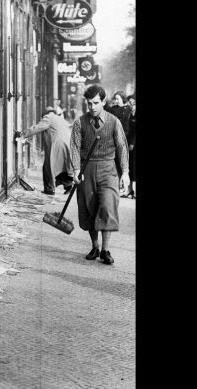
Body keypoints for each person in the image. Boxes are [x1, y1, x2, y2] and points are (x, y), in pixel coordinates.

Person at [70, 85, 130, 265]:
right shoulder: (80, 122)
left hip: (108, 169)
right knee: (90, 208)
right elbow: (74, 146)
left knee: (108, 206)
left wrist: (125, 172)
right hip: (86, 170)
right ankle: (95, 246)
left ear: (103, 101)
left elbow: (122, 147)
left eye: (96, 103)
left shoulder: (114, 122)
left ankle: (106, 250)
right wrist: (75, 170)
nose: (92, 107)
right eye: (89, 104)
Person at [21, 106, 75, 195]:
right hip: (67, 144)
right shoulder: (60, 118)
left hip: (58, 145)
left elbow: (37, 128)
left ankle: (49, 189)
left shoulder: (48, 117)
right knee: (64, 166)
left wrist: (23, 134)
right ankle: (68, 186)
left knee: (48, 166)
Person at [104, 91, 135, 198]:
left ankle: (125, 187)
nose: (116, 101)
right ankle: (118, 186)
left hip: (125, 139)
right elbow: (107, 110)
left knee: (125, 163)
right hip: (114, 140)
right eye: (115, 99)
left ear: (123, 99)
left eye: (118, 99)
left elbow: (131, 126)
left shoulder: (129, 110)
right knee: (116, 162)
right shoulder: (114, 109)